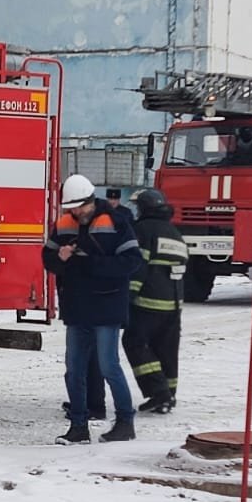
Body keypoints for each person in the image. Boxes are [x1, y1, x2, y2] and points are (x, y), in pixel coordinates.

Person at [42, 173, 139, 444]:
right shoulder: (63, 224)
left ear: (91, 200)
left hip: (107, 307)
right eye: (71, 209)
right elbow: (47, 258)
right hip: (76, 308)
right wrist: (59, 259)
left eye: (80, 207)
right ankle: (78, 426)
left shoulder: (117, 222)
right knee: (74, 369)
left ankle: (124, 422)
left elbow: (132, 262)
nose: (76, 213)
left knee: (109, 366)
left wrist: (91, 264)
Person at [125, 186, 187, 414]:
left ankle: (158, 392)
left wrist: (129, 296)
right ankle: (168, 395)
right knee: (167, 350)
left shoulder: (143, 230)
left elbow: (138, 266)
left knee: (134, 343)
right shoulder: (174, 232)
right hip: (173, 305)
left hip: (148, 303)